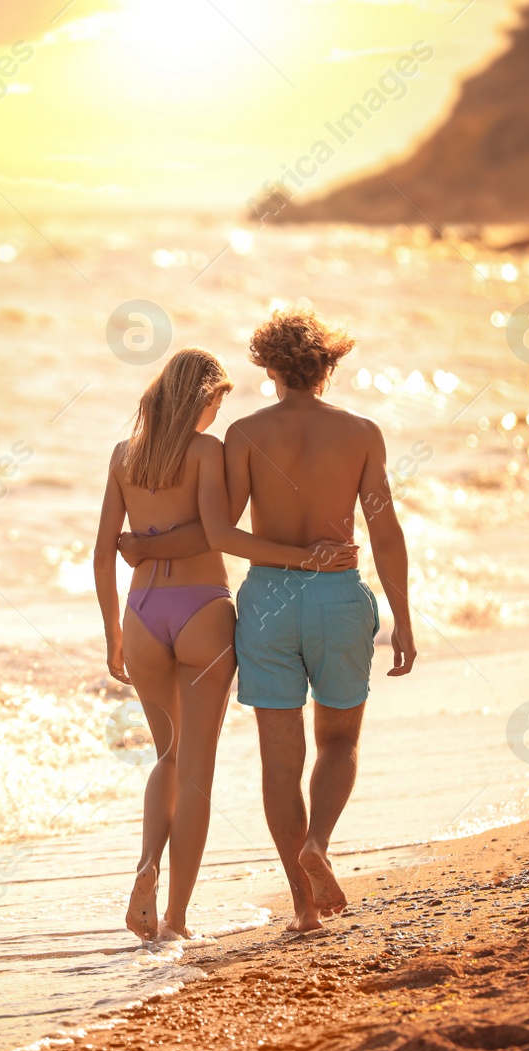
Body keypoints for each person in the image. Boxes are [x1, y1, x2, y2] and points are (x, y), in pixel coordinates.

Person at [120, 309, 415, 932]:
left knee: (279, 760)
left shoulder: (245, 436)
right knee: (339, 741)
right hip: (337, 595)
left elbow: (218, 534)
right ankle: (318, 846)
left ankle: (304, 908)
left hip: (268, 604)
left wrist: (147, 548)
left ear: (268, 366)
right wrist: (403, 617)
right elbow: (384, 531)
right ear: (327, 367)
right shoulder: (363, 433)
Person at [93, 347, 357, 942]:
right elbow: (220, 536)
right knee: (196, 772)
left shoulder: (122, 456)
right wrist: (304, 557)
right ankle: (177, 919)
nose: (218, 412)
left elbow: (103, 547)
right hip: (202, 613)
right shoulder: (206, 450)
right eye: (217, 400)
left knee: (165, 756)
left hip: (140, 616)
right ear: (201, 399)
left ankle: (145, 869)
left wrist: (112, 630)